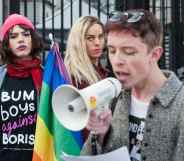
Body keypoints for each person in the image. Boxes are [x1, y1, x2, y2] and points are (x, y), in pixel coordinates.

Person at [81, 9, 184, 161]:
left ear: (155, 54)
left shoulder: (180, 105)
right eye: (111, 50)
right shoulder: (114, 97)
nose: (116, 61)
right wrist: (102, 135)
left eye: (128, 52)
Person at [0, 14, 44, 161]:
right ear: (7, 43)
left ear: (33, 39)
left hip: (37, 156)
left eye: (26, 34)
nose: (21, 39)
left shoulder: (45, 77)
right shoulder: (1, 76)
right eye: (13, 36)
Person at [64, 16, 109, 140]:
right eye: (90, 38)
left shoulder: (102, 72)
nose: (97, 42)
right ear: (78, 41)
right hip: (82, 145)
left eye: (100, 36)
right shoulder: (73, 76)